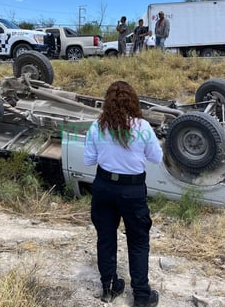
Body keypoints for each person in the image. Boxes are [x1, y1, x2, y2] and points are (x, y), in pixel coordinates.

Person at [84, 81, 162, 307]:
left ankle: (109, 288)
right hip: (132, 190)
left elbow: (89, 160)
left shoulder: (97, 126)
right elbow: (156, 158)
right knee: (138, 241)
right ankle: (141, 296)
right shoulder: (143, 127)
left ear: (107, 102)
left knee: (106, 237)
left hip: (104, 186)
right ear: (134, 101)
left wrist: (109, 154)